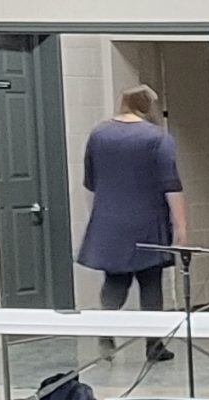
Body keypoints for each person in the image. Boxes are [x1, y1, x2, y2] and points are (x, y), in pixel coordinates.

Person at [77, 86, 186, 363]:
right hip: (147, 220)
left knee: (115, 279)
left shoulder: (98, 134)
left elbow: (90, 181)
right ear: (147, 106)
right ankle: (153, 344)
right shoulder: (157, 138)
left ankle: (106, 333)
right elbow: (170, 185)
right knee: (151, 281)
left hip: (109, 220)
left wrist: (99, 215)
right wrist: (180, 225)